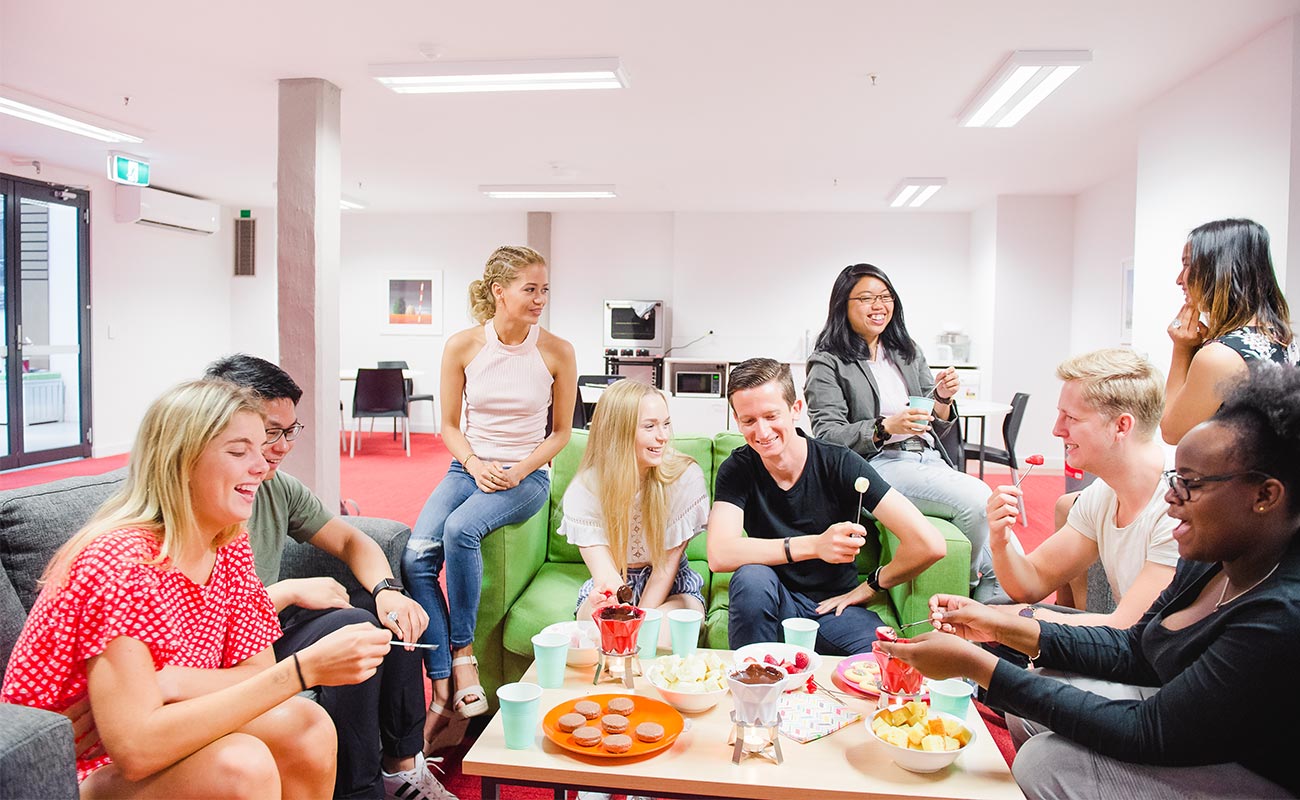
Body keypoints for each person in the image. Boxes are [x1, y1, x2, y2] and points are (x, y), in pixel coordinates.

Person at [879, 365, 1300, 799]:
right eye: (1176, 479)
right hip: (1190, 730)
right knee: (1039, 694)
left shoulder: (1282, 614)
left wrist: (979, 666)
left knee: (1046, 761)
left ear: (1265, 495)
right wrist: (1000, 626)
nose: (1172, 497)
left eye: (1190, 484)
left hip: (1253, 771)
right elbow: (1135, 646)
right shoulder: (1215, 557)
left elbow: (1151, 731)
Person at [1, 380, 392, 798]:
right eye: (239, 452)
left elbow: (255, 671)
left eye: (260, 448)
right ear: (181, 461)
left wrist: (170, 683)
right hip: (71, 770)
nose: (262, 466)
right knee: (241, 766)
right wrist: (300, 671)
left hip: (159, 728)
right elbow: (136, 748)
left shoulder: (229, 541)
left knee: (306, 726)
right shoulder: (122, 562)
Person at [206, 355, 454, 800]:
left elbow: (350, 540)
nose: (282, 447)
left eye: (290, 431)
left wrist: (387, 592)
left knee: (390, 620)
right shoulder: (198, 506)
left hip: (264, 628)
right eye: (269, 433)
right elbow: (204, 621)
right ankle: (362, 790)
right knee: (354, 625)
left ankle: (402, 767)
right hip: (233, 642)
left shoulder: (272, 487)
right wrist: (286, 591)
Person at [404, 245, 576, 734]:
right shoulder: (462, 346)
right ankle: (443, 680)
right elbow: (449, 425)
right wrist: (474, 463)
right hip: (468, 468)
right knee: (415, 557)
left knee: (460, 530)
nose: (540, 299)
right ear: (499, 291)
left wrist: (519, 470)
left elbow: (561, 433)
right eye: (530, 289)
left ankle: (463, 656)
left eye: (545, 289)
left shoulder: (557, 351)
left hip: (527, 476)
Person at [706, 358, 947, 653]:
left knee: (881, 659)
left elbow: (930, 544)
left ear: (795, 409)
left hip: (833, 610)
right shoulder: (738, 468)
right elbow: (719, 554)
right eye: (749, 421)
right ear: (736, 419)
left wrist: (872, 585)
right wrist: (815, 545)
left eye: (771, 416)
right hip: (772, 601)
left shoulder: (839, 462)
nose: (762, 432)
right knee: (751, 576)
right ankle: (753, 679)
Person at [804, 263, 998, 600]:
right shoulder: (828, 362)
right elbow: (827, 436)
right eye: (866, 298)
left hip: (929, 459)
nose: (879, 306)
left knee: (1002, 535)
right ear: (842, 305)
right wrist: (884, 427)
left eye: (885, 297)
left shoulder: (906, 351)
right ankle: (962, 590)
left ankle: (993, 604)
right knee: (980, 500)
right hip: (877, 466)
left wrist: (942, 398)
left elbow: (936, 419)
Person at [987, 348, 1178, 628]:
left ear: (1121, 426)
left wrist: (1023, 617)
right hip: (1133, 639)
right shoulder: (1103, 494)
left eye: (1072, 418)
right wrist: (999, 541)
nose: (1057, 430)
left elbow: (1132, 628)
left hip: (1159, 648)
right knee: (995, 614)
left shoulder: (1178, 505)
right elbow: (1031, 582)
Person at [560, 379, 708, 648]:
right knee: (598, 639)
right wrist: (616, 610)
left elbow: (665, 570)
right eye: (650, 427)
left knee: (654, 637)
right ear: (618, 432)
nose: (663, 436)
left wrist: (637, 624)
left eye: (665, 424)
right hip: (614, 585)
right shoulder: (586, 488)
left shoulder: (685, 477)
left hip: (671, 588)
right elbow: (607, 576)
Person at [1162, 217, 1297, 445]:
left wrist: (1182, 349)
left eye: (1187, 265)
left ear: (1218, 269)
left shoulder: (1219, 356)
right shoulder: (1282, 338)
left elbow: (1171, 432)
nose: (1179, 279)